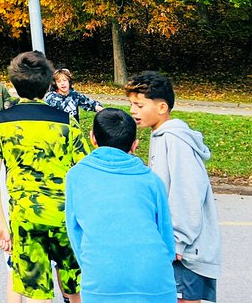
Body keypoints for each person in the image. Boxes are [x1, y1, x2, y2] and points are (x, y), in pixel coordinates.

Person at [0, 50, 89, 303]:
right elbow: (85, 173)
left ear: (13, 85)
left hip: (25, 217)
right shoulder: (67, 123)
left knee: (36, 292)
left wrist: (0, 222)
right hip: (65, 217)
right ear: (47, 84)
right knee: (74, 288)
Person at [125, 71, 221, 303]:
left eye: (139, 105)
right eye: (131, 104)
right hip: (175, 243)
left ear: (162, 107)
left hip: (185, 248)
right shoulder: (160, 136)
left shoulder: (174, 140)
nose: (133, 111)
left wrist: (177, 238)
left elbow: (188, 192)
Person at [65, 108, 177, 303]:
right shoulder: (151, 180)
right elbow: (166, 235)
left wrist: (92, 266)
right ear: (134, 145)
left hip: (102, 278)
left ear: (92, 138)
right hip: (155, 278)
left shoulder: (76, 176)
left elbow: (74, 232)